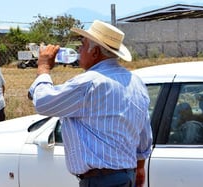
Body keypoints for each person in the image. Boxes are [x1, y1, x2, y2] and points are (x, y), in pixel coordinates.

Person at [28, 20, 153, 187]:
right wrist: (139, 169)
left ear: (94, 52)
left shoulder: (89, 83)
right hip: (126, 175)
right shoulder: (136, 82)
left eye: (82, 45)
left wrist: (43, 68)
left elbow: (43, 103)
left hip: (100, 181)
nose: (78, 50)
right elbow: (144, 136)